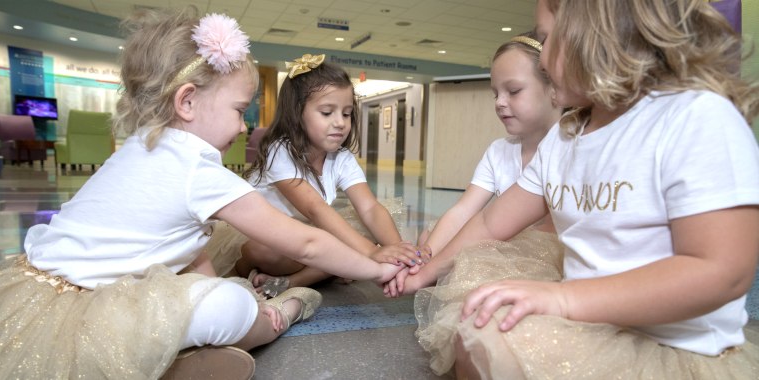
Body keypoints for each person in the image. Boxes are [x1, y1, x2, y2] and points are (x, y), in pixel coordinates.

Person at [0, 8, 402, 380]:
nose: (244, 128)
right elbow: (309, 242)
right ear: (187, 101)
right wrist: (378, 270)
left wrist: (215, 285)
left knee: (218, 295)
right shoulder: (198, 171)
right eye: (239, 111)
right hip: (104, 308)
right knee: (234, 308)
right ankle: (280, 314)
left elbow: (190, 247)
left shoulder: (138, 146)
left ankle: (179, 354)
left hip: (42, 294)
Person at [414, 0, 759, 378]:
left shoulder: (695, 117)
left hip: (675, 346)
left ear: (597, 36)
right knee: (480, 333)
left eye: (546, 39)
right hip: (588, 322)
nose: (541, 58)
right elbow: (491, 223)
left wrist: (564, 298)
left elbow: (720, 271)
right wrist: (427, 270)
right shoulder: (563, 137)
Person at [384, 30, 566, 374]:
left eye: (513, 91)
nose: (499, 102)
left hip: (544, 257)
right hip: (497, 243)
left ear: (554, 87)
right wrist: (423, 261)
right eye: (495, 93)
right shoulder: (500, 151)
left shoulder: (567, 143)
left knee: (473, 282)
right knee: (431, 240)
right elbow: (467, 209)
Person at [207, 54, 420, 297]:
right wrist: (372, 253)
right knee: (265, 251)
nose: (340, 122)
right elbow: (315, 209)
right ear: (298, 113)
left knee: (363, 230)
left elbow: (370, 208)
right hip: (272, 236)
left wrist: (397, 252)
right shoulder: (281, 151)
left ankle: (293, 281)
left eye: (347, 113)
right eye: (327, 112)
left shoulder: (342, 158)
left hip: (311, 239)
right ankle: (246, 272)